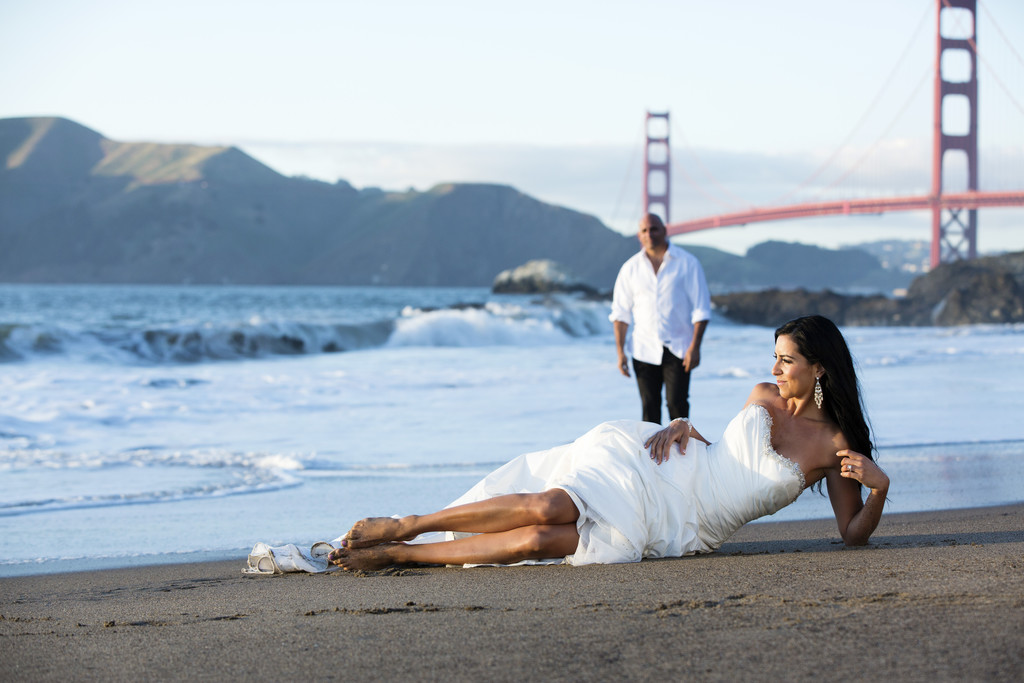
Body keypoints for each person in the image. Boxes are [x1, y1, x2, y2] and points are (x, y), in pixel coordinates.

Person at [327, 315, 890, 571]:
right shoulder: (762, 393)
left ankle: (404, 557)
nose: (775, 367)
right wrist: (683, 424)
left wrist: (878, 491)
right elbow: (731, 456)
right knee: (551, 505)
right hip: (663, 463)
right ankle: (406, 526)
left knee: (539, 542)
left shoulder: (835, 446)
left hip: (685, 526)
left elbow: (851, 536)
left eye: (787, 359)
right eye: (775, 356)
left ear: (819, 368)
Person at [610, 213, 711, 424]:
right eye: (644, 230)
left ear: (664, 230)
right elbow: (620, 314)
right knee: (649, 411)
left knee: (678, 407)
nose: (650, 234)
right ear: (639, 235)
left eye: (654, 229)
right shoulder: (630, 269)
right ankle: (652, 458)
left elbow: (701, 309)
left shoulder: (688, 263)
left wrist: (695, 347)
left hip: (679, 349)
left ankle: (684, 455)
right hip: (643, 349)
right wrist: (620, 352)